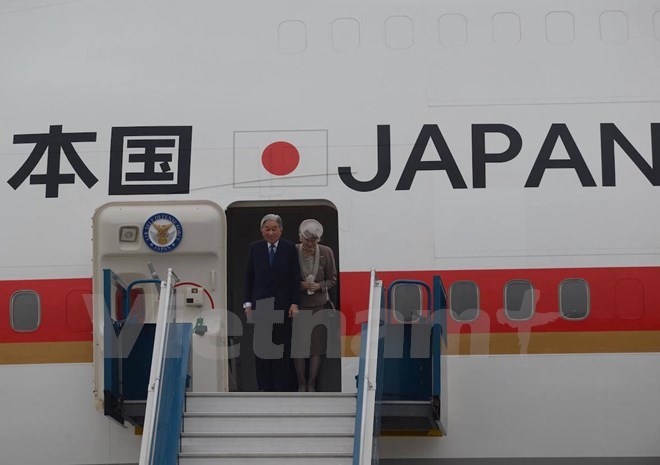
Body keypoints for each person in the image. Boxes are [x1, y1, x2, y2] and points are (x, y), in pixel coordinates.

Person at [244, 214, 300, 391]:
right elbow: (249, 278)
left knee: (282, 346)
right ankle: (264, 387)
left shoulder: (290, 249)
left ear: (281, 230)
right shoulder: (255, 248)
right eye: (267, 229)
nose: (270, 232)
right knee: (262, 347)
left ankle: (281, 387)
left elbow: (295, 277)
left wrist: (294, 303)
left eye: (274, 228)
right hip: (261, 303)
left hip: (283, 305)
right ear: (262, 231)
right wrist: (247, 303)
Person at [292, 219, 337, 392]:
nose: (310, 244)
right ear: (300, 237)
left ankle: (312, 383)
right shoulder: (293, 251)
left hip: (319, 305)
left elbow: (333, 278)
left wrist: (319, 286)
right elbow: (285, 277)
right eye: (306, 240)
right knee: (298, 347)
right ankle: (301, 383)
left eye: (314, 241)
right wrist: (298, 284)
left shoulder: (326, 252)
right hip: (299, 306)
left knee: (316, 347)